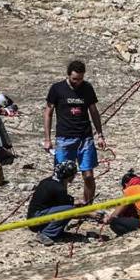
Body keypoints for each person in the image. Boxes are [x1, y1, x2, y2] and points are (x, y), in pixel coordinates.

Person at [44, 60, 105, 204]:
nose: (77, 82)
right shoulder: (57, 89)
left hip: (85, 138)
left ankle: (87, 204)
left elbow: (94, 111)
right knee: (63, 176)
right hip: (64, 139)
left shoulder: (87, 88)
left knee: (88, 175)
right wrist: (47, 139)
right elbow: (48, 113)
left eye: (80, 79)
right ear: (68, 75)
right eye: (74, 79)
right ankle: (61, 206)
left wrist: (100, 134)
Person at [26, 161, 79, 246]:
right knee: (70, 210)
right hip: (36, 220)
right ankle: (46, 234)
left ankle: (56, 232)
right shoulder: (59, 188)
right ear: (69, 176)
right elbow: (68, 209)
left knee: (68, 208)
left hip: (33, 217)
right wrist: (91, 214)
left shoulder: (48, 181)